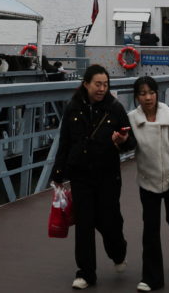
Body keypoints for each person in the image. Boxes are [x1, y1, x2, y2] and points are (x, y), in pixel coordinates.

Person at [52, 64, 136, 290]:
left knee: (110, 221)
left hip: (107, 174)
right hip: (81, 174)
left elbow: (132, 142)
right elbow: (65, 141)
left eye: (105, 84)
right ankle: (85, 273)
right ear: (86, 84)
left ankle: (118, 251)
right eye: (97, 84)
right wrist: (58, 173)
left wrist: (122, 141)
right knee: (84, 225)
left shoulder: (115, 108)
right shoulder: (73, 108)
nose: (101, 88)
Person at [128, 76, 169, 291]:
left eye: (151, 92)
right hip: (148, 181)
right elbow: (126, 145)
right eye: (142, 93)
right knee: (150, 229)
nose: (147, 97)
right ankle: (151, 278)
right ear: (136, 96)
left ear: (157, 93)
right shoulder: (132, 119)